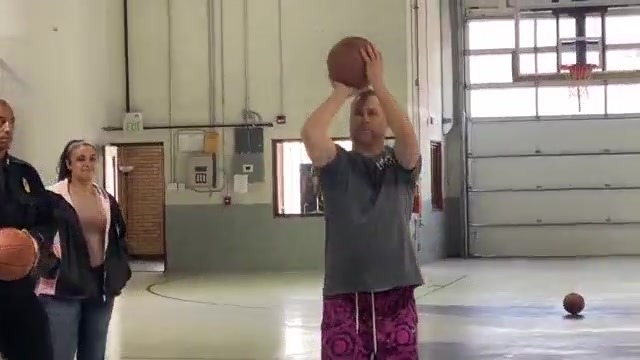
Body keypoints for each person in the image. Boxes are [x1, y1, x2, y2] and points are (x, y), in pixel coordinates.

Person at [301, 45, 423, 358]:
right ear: (350, 123)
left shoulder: (401, 167)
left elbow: (409, 140)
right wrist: (343, 92)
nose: (365, 118)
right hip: (344, 290)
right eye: (359, 113)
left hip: (395, 288)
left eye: (373, 113)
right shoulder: (336, 164)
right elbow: (312, 134)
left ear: (385, 122)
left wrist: (379, 87)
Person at [36, 140, 131, 360]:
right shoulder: (51, 198)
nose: (87, 164)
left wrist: (119, 271)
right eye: (80, 159)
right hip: (63, 289)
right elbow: (36, 237)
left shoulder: (106, 199)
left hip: (100, 287)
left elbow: (119, 237)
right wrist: (51, 269)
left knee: (95, 353)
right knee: (61, 353)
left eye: (91, 159)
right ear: (69, 164)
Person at [0, 99, 56, 360]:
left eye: (11, 122)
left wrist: (33, 242)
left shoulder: (25, 173)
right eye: (0, 122)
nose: (8, 129)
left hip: (20, 289)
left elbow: (47, 219)